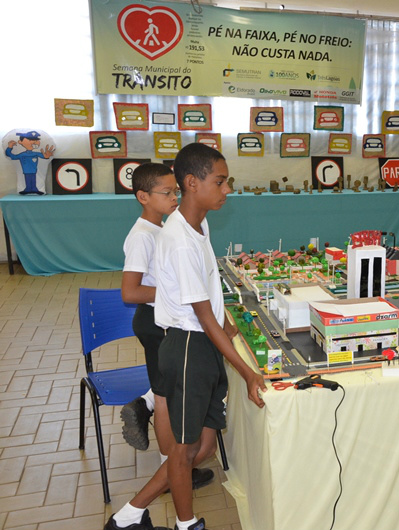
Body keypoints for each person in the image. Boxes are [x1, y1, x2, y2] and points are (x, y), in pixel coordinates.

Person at [103, 143, 268, 530]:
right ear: (192, 183)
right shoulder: (177, 239)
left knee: (204, 446)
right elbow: (204, 317)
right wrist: (247, 373)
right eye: (220, 182)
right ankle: (186, 524)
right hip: (189, 345)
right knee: (182, 450)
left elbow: (212, 288)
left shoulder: (199, 222)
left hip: (204, 344)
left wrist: (233, 326)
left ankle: (128, 516)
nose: (227, 189)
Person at [119, 163, 214, 490]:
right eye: (167, 192)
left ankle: (176, 465)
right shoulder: (142, 236)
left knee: (170, 394)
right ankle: (173, 471)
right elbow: (130, 291)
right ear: (143, 196)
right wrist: (179, 290)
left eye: (176, 191)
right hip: (154, 321)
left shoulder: (161, 228)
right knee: (165, 398)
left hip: (165, 318)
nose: (175, 197)